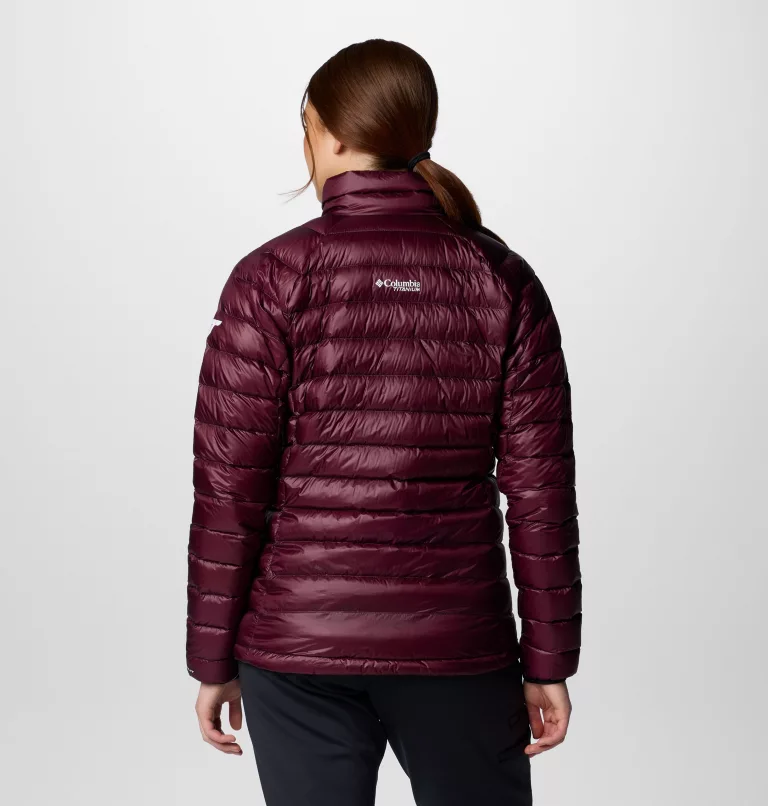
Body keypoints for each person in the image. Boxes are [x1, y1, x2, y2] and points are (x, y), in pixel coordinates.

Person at [185, 38, 581, 806]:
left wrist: (212, 659)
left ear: (329, 135)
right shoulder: (503, 279)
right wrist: (548, 660)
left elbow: (229, 492)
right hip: (461, 647)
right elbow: (542, 493)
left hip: (297, 650)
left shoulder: (268, 278)